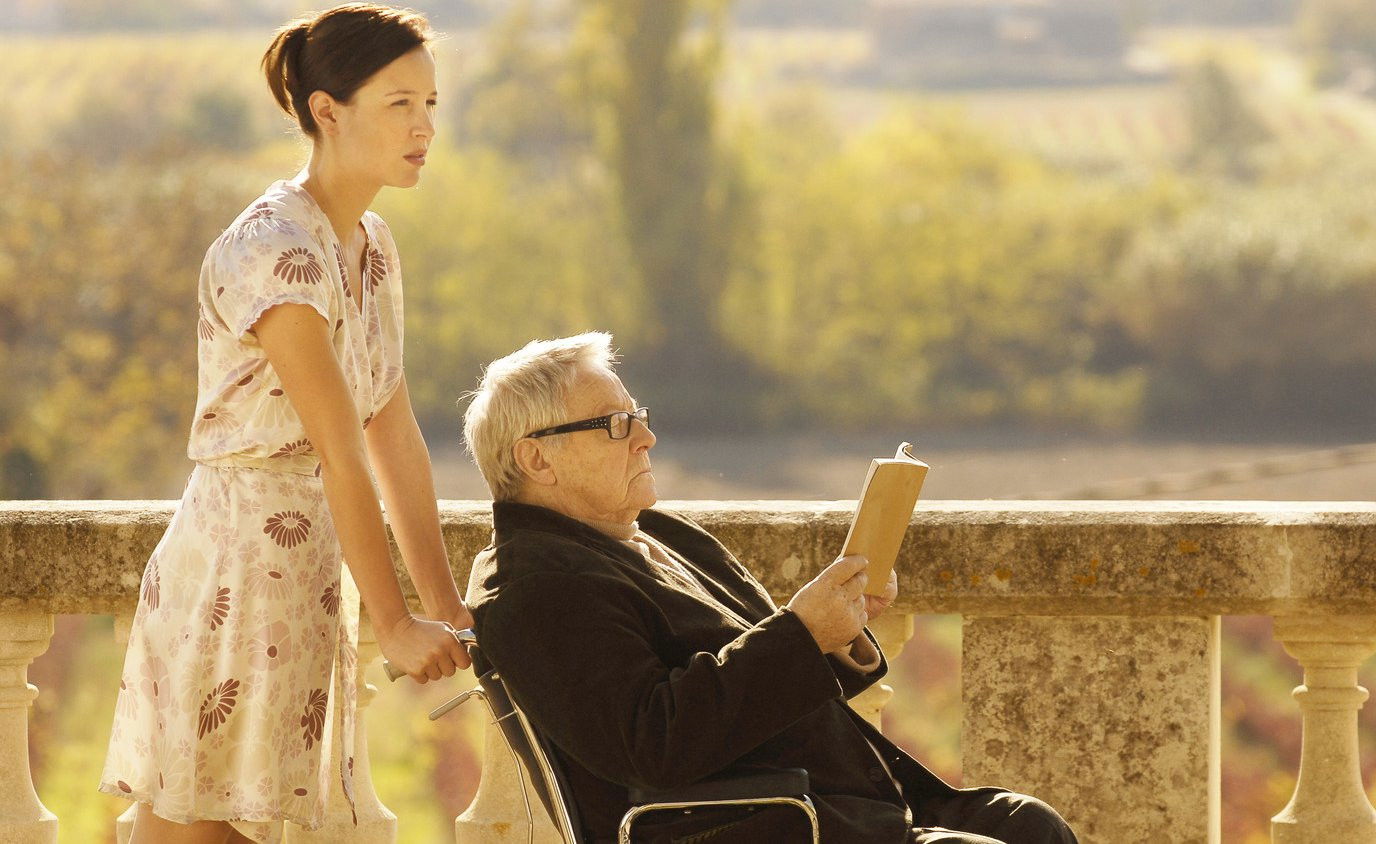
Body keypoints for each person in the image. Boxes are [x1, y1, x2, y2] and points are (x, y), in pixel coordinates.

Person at [462, 332, 1077, 844]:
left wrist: (836, 633)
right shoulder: (532, 587)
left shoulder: (660, 533)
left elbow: (757, 675)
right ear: (537, 459)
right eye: (617, 425)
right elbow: (653, 743)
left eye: (639, 417)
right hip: (767, 823)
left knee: (1028, 825)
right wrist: (802, 632)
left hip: (834, 804)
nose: (646, 438)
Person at [99, 5, 471, 842]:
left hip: (305, 575)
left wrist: (447, 606)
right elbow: (342, 453)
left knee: (229, 829)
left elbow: (392, 432)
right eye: (399, 104)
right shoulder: (274, 249)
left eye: (430, 104)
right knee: (198, 829)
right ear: (326, 111)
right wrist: (394, 623)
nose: (424, 127)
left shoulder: (372, 245)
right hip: (236, 570)